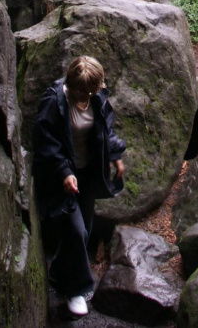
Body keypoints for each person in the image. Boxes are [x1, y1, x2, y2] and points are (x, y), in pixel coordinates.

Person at [33, 56, 126, 317]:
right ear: (71, 84)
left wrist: (115, 155)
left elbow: (105, 130)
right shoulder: (54, 102)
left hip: (87, 175)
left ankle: (58, 273)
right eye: (80, 91)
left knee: (85, 229)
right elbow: (45, 142)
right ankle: (77, 290)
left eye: (90, 91)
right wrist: (63, 172)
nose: (85, 95)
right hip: (62, 179)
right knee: (76, 232)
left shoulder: (96, 97)